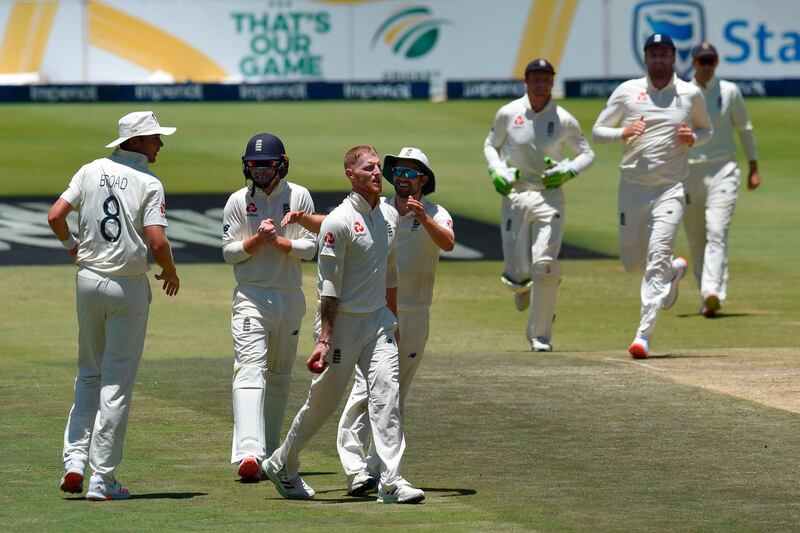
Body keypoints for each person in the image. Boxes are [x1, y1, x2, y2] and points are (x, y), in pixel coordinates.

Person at [281, 147, 455, 496]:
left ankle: (381, 474)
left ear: (424, 178)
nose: (400, 177)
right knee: (355, 395)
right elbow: (339, 226)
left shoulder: (433, 213)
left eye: (411, 172)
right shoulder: (383, 208)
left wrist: (425, 220)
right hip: (367, 315)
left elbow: (447, 242)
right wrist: (303, 218)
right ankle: (356, 468)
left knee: (392, 395)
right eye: (398, 171)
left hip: (407, 314)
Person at [47, 111, 180, 500]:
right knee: (116, 383)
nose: (161, 144)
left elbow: (56, 216)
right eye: (155, 137)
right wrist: (170, 272)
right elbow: (157, 242)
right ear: (136, 141)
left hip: (87, 280)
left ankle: (73, 462)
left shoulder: (90, 169)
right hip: (127, 286)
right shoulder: (150, 182)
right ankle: (102, 478)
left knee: (88, 373)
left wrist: (73, 248)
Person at [592, 33, 713, 358]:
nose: (658, 60)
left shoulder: (690, 94)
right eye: (653, 54)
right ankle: (673, 272)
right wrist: (623, 132)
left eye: (664, 54)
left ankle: (642, 336)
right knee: (633, 263)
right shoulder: (628, 91)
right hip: (632, 189)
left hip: (670, 189)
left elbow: (706, 130)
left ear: (674, 58)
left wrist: (693, 138)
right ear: (645, 58)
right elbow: (598, 132)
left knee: (655, 260)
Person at [221, 133, 317, 482]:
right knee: (249, 369)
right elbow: (229, 252)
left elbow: (311, 248)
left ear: (281, 165)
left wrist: (277, 241)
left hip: (290, 296)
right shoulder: (236, 201)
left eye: (266, 165)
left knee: (278, 375)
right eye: (254, 165)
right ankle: (248, 452)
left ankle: (270, 451)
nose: (259, 171)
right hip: (251, 296)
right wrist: (255, 241)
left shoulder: (299, 196)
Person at [483, 58, 595, 352]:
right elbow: (490, 146)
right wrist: (497, 171)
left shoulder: (564, 119)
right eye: (536, 78)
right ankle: (520, 285)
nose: (541, 83)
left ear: (552, 81)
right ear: (526, 81)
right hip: (515, 196)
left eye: (546, 78)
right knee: (519, 274)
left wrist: (568, 171)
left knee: (544, 265)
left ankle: (540, 336)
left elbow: (587, 154)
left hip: (549, 196)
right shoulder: (509, 113)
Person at [684, 42, 761, 318]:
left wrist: (753, 167)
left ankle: (712, 292)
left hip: (723, 169)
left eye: (711, 61)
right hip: (690, 171)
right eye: (702, 61)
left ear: (716, 63)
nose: (706, 66)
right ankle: (707, 295)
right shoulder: (683, 92)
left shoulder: (729, 91)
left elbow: (745, 128)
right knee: (696, 237)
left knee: (717, 230)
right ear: (693, 64)